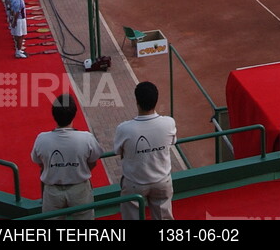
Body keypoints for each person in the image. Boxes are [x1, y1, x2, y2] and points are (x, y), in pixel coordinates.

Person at [31, 94, 104, 220]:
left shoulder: (42, 139)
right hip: (80, 189)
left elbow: (40, 163)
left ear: (54, 114)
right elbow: (94, 161)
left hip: (52, 192)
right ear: (74, 113)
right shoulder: (86, 138)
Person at [114, 81, 177, 220]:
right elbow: (172, 142)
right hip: (162, 181)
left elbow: (118, 151)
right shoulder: (169, 123)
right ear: (156, 100)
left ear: (137, 101)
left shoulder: (124, 128)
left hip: (134, 183)